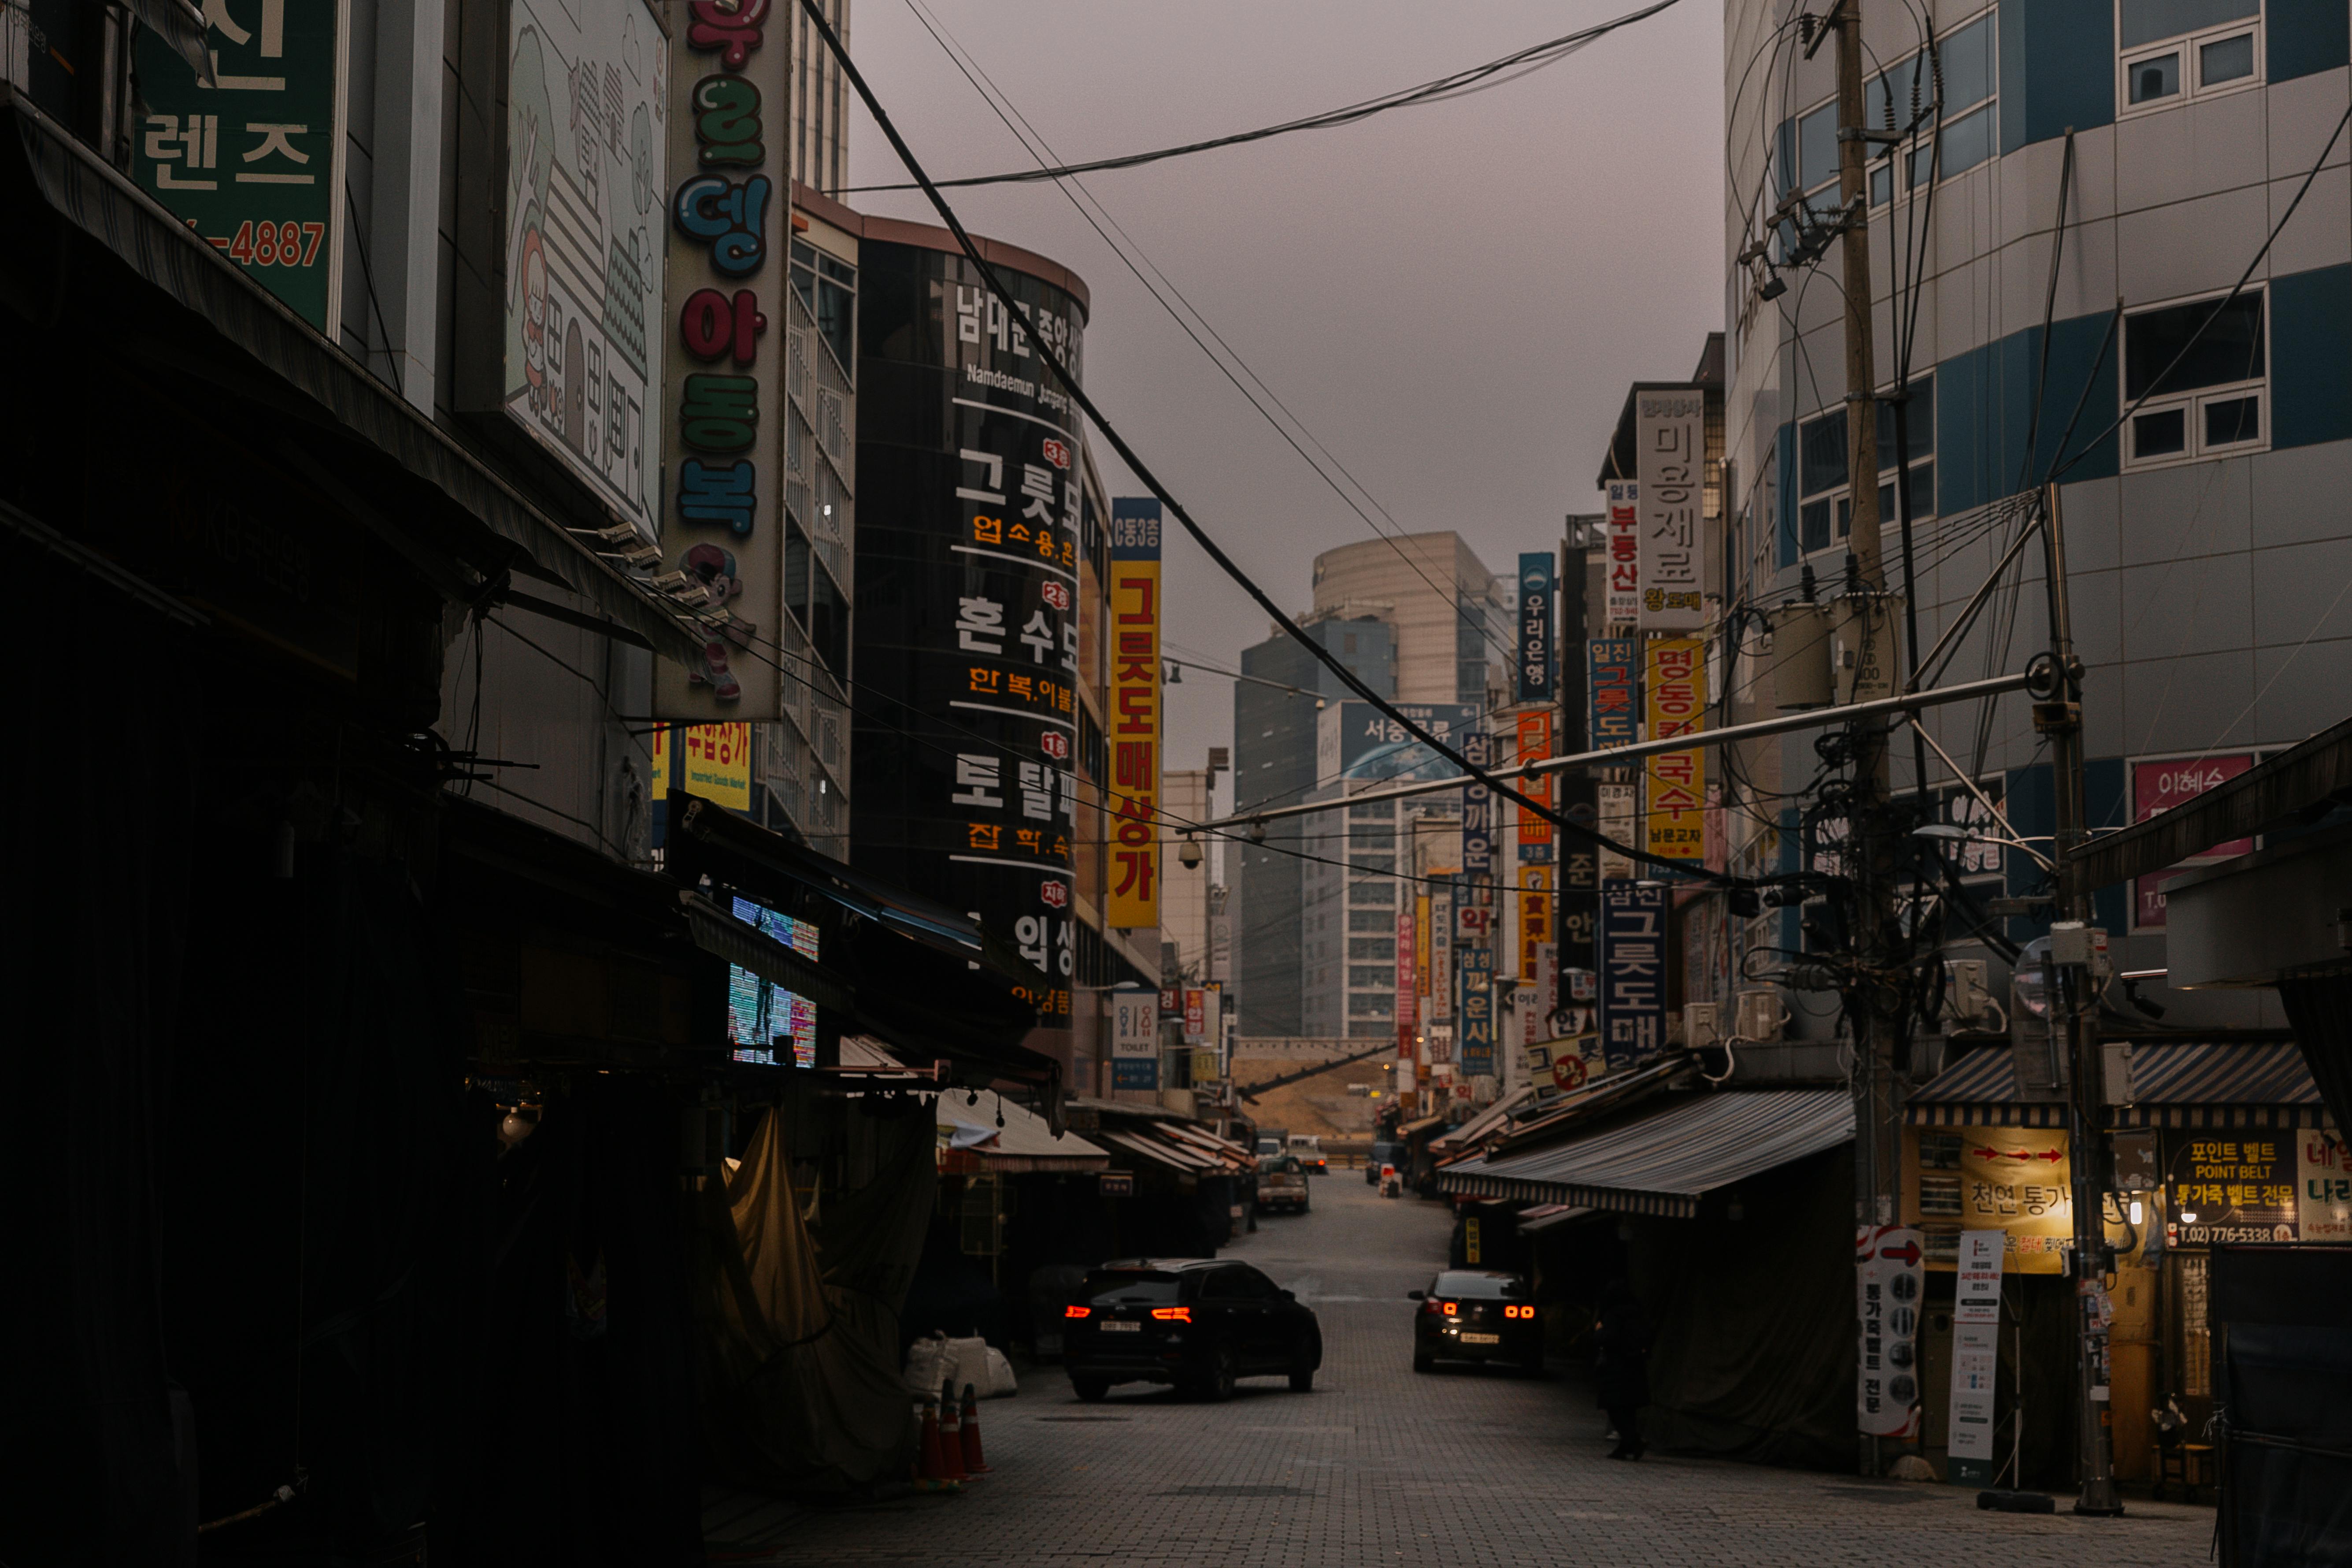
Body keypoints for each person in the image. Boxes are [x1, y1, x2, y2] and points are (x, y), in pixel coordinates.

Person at [1593, 1279, 1651, 1461]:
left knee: (1614, 1407)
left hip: (1617, 1366)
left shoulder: (1613, 1314)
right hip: (1635, 1365)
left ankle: (1633, 1441)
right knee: (1629, 1408)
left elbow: (1610, 1339)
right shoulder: (1637, 1312)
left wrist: (1599, 1332)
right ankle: (1625, 1447)